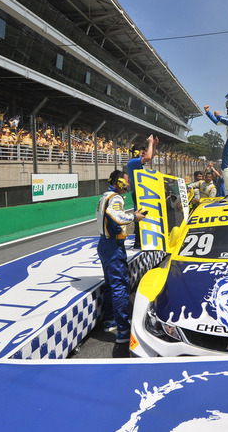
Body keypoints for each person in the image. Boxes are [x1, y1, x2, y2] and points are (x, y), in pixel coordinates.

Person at [96, 170, 147, 351]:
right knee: (119, 286)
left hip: (104, 244)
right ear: (119, 182)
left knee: (111, 285)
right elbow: (116, 216)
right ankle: (124, 330)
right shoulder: (116, 198)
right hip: (112, 246)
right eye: (125, 181)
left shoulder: (105, 195)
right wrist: (135, 216)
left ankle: (110, 320)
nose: (128, 184)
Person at [127, 134, 158, 248]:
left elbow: (150, 156)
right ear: (135, 153)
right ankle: (138, 242)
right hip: (137, 193)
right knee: (139, 215)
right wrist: (150, 142)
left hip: (142, 193)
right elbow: (149, 157)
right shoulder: (132, 162)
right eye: (142, 152)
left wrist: (153, 145)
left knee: (145, 215)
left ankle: (144, 240)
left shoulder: (137, 164)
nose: (144, 154)